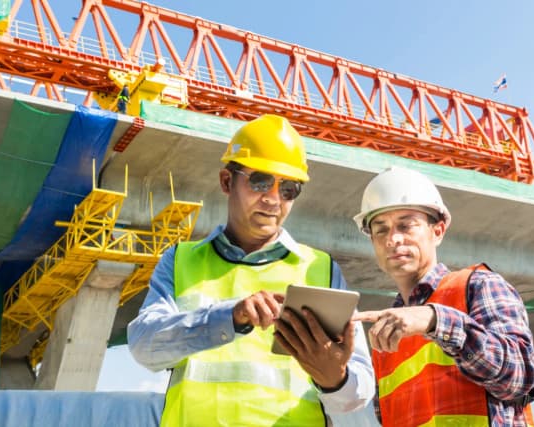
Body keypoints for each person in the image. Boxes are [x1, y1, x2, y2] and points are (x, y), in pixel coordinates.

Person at [128, 114, 378, 426]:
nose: (274, 199)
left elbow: (358, 395)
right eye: (260, 181)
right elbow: (144, 347)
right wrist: (231, 316)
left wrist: (334, 379)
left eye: (289, 189)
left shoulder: (321, 269)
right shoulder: (180, 260)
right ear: (226, 181)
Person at [351, 166, 534, 426]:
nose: (393, 239)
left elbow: (521, 378)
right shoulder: (385, 335)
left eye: (406, 225)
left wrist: (436, 320)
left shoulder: (478, 286)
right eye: (381, 229)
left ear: (437, 231)